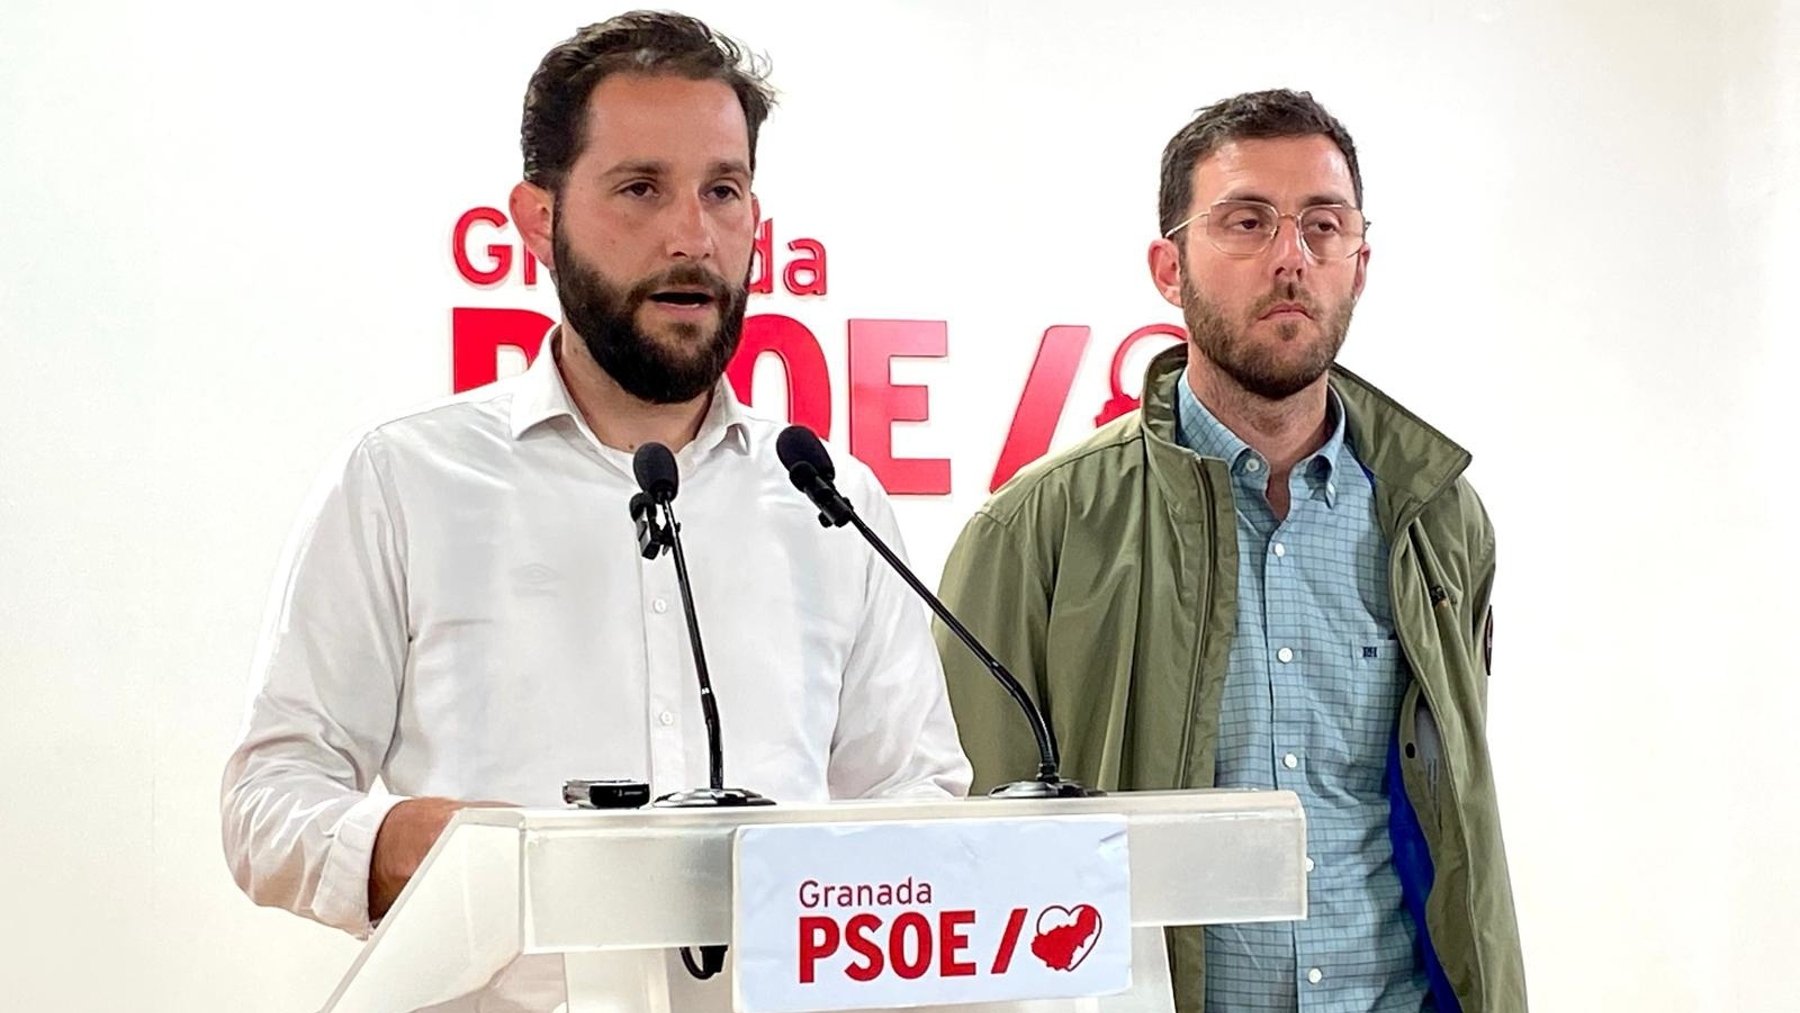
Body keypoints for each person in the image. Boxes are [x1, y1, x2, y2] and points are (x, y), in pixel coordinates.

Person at [221, 10, 969, 948]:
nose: (690, 236)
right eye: (640, 189)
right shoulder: (402, 482)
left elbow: (914, 793)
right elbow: (267, 799)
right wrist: (398, 843)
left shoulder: (832, 499)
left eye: (723, 191)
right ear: (539, 220)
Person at [936, 90, 1525, 1011]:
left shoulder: (1439, 521)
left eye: (1323, 226)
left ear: (1360, 263)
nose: (1291, 257)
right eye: (1247, 221)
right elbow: (972, 868)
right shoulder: (1033, 535)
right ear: (1168, 268)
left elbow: (1450, 822)